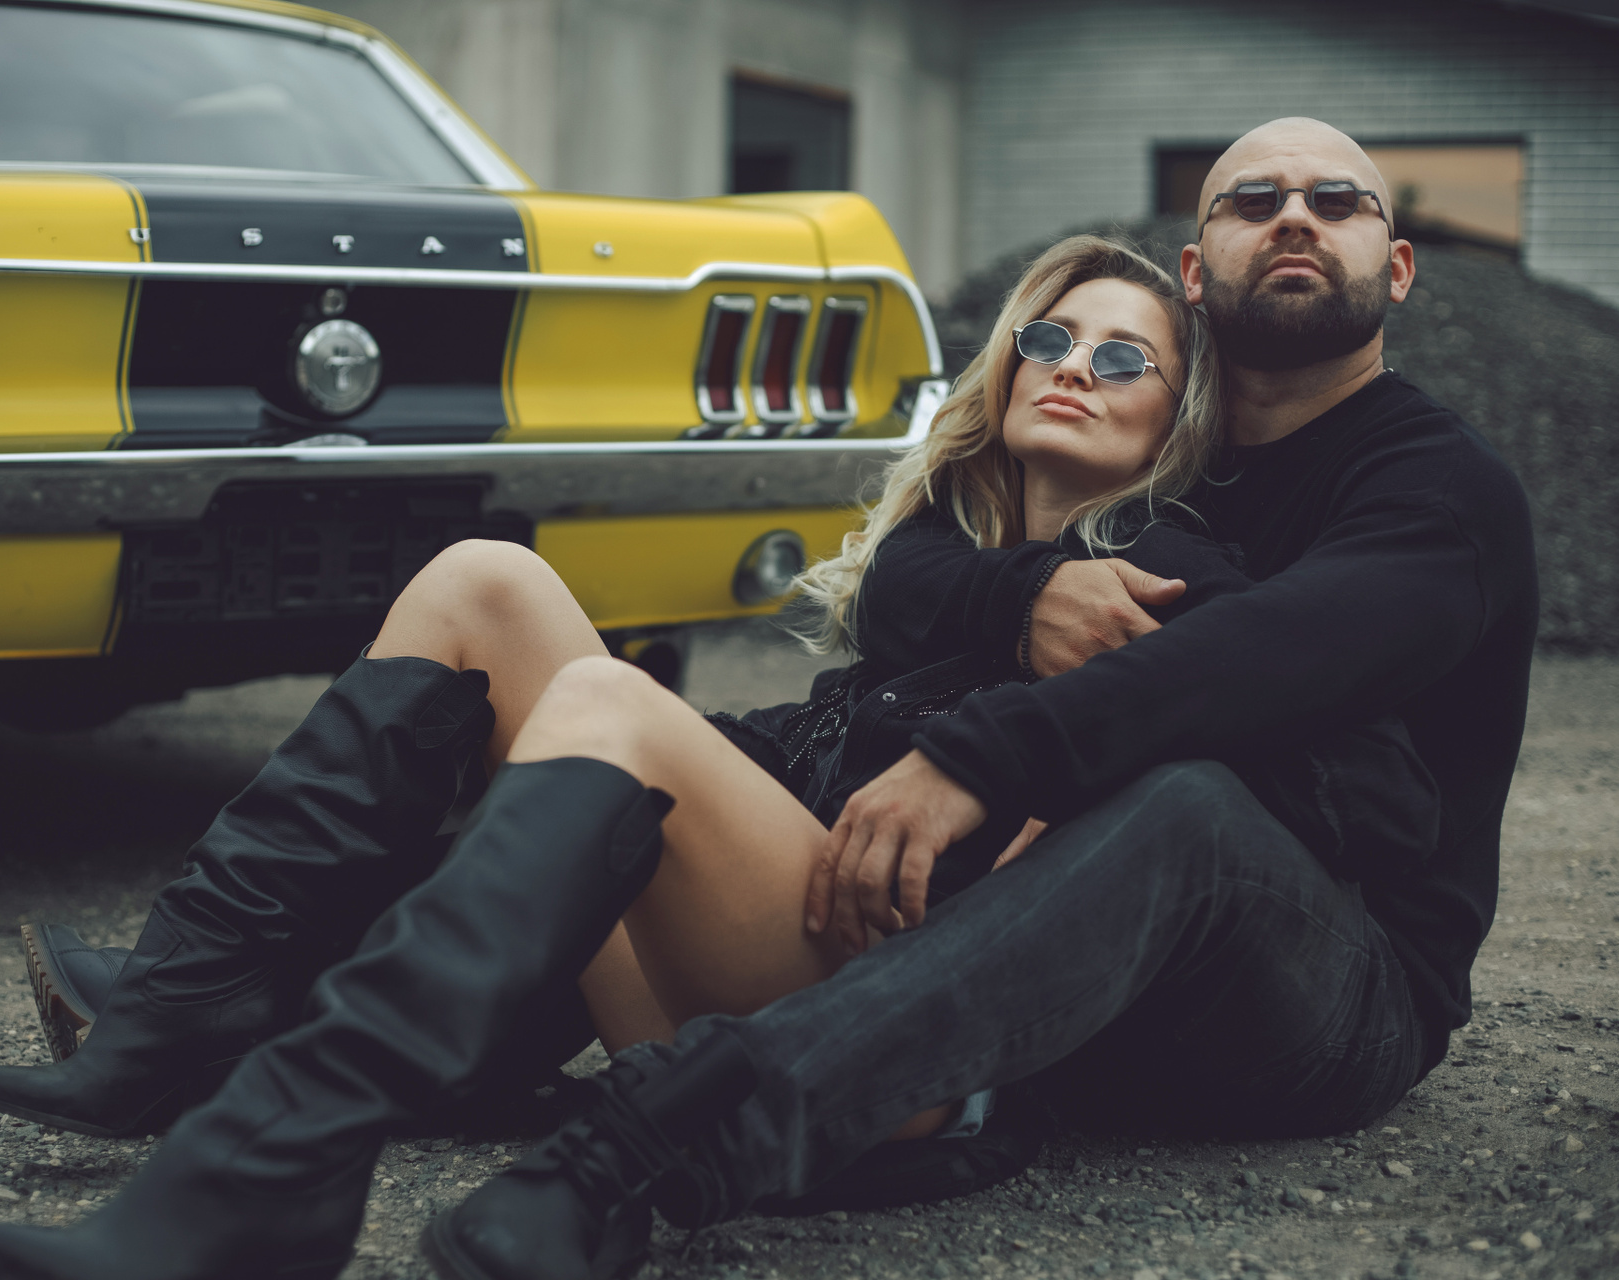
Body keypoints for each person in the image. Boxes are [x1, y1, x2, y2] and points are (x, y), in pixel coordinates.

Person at [0, 230, 1346, 1280]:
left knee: (611, 707)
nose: (1076, 368)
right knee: (487, 578)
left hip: (884, 1051)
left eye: (1125, 358)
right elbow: (789, 749)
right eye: (1051, 338)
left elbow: (1109, 867)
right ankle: (187, 1001)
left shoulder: (1172, 580)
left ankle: (271, 1158)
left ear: (1177, 414)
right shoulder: (961, 573)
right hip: (749, 958)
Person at [410, 115, 1537, 1280]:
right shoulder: (1170, 456)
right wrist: (1021, 600)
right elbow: (913, 566)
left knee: (1188, 801)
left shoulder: (1436, 486)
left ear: (1398, 266)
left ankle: (661, 1144)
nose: (1295, 217)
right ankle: (326, 1014)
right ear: (1197, 274)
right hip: (1099, 966)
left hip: (1336, 978)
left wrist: (1001, 753)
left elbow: (1276, 675)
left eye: (1338, 201)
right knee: (563, 672)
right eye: (1253, 200)